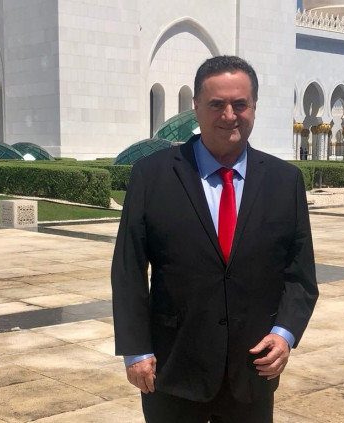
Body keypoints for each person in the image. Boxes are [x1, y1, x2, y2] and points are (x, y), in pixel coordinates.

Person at [111, 55, 318, 423]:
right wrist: (136, 351)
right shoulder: (152, 176)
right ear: (196, 107)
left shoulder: (284, 181)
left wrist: (284, 333)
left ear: (254, 106)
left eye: (240, 104)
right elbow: (128, 270)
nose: (229, 115)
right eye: (217, 104)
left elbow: (300, 275)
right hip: (173, 368)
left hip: (252, 370)